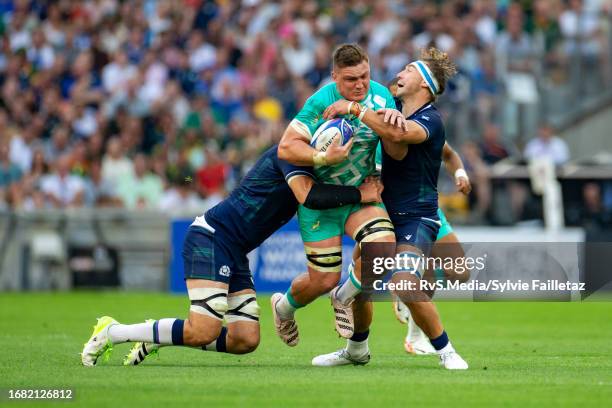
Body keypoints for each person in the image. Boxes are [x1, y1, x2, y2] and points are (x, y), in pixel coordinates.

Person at [81, 144, 382, 366]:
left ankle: (157, 336)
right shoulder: (289, 155)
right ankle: (114, 331)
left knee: (245, 340)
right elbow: (312, 196)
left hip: (234, 249)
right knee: (203, 329)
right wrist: (360, 194)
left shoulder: (311, 161)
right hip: (211, 237)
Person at [312, 47, 468, 369]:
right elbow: (388, 131)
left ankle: (446, 351)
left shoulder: (431, 120)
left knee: (410, 282)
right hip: (382, 210)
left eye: (408, 70)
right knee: (363, 279)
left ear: (424, 85)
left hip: (416, 216)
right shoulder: (391, 107)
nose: (399, 74)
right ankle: (355, 350)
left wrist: (355, 108)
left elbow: (400, 134)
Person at [272, 44, 398, 348]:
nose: (359, 84)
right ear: (334, 77)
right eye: (350, 79)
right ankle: (283, 309)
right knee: (322, 280)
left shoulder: (382, 96)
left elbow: (394, 138)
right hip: (324, 202)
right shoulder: (319, 102)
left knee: (382, 250)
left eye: (364, 76)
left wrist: (380, 166)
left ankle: (341, 298)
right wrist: (322, 157)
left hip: (362, 197)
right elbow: (286, 148)